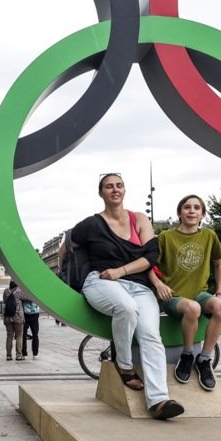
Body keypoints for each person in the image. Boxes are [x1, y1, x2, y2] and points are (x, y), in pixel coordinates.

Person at [68, 172, 183, 420]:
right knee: (127, 308)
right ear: (101, 193)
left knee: (151, 336)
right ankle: (125, 366)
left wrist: (121, 270)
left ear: (124, 190)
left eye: (119, 185)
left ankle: (159, 401)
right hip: (101, 282)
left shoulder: (139, 219)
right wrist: (69, 266)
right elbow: (69, 243)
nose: (115, 190)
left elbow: (151, 257)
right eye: (109, 186)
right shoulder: (91, 224)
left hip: (138, 286)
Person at [149, 194, 221, 391]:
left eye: (196, 208)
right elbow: (148, 265)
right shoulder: (166, 237)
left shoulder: (209, 236)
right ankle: (187, 354)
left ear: (202, 214)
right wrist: (158, 284)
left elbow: (219, 263)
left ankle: (204, 359)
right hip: (172, 297)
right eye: (187, 207)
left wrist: (220, 289)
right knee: (192, 308)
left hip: (200, 293)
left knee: (220, 307)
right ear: (179, 213)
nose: (191, 211)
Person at [2, 281, 25, 360]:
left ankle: (8, 355)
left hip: (8, 317)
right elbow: (28, 298)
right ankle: (18, 355)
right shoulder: (19, 291)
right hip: (18, 317)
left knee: (9, 336)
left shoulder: (5, 291)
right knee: (19, 336)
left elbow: (4, 301)